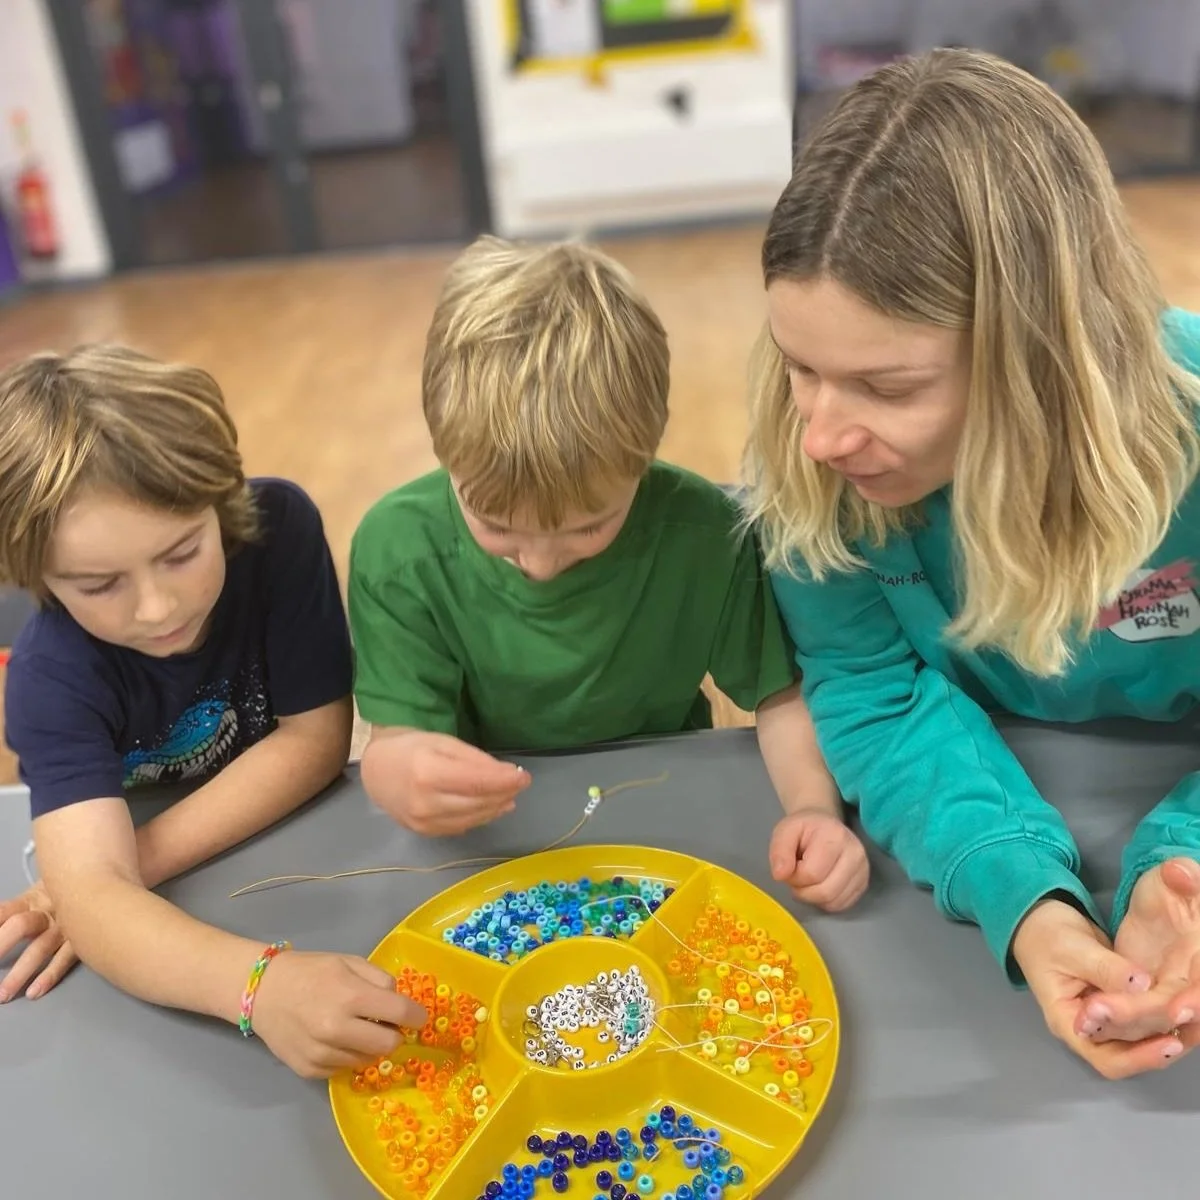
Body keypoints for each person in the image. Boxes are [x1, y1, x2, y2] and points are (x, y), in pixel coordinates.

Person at [744, 47, 1200, 1080]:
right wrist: (1024, 900)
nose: (820, 435)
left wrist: (1183, 868)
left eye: (886, 386)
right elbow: (872, 686)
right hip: (994, 783)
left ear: (1041, 357)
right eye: (800, 367)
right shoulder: (812, 456)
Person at [349, 236, 869, 914]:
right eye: (497, 526)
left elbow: (779, 697)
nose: (539, 563)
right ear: (447, 458)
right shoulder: (399, 552)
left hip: (668, 802)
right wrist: (396, 774)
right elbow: (395, 741)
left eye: (587, 527)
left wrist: (813, 809)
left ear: (645, 456)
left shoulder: (706, 534)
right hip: (488, 842)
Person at [0, 346, 425, 1074]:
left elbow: (317, 738)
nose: (159, 607)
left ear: (219, 501)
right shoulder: (48, 677)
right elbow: (97, 894)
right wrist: (259, 987)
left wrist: (102, 887)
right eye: (101, 585)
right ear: (34, 576)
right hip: (201, 891)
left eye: (182, 551)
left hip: (298, 844)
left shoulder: (277, 528)